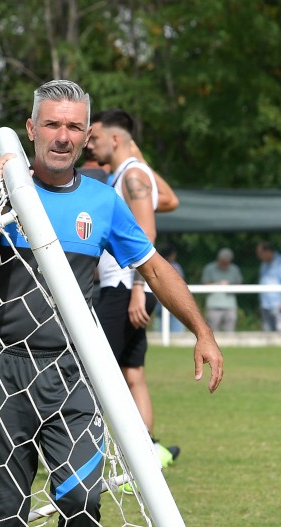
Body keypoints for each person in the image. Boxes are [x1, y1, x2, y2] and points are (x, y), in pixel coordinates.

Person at [0, 79, 223, 527]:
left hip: (73, 374)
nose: (63, 136)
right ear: (31, 130)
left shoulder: (102, 200)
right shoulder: (0, 189)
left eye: (74, 127)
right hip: (0, 370)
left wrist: (202, 331)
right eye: (52, 125)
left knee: (83, 500)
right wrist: (4, 201)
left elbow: (153, 266)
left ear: (87, 136)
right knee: (4, 514)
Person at [86, 107, 180, 467]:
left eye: (94, 137)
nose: (89, 145)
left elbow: (147, 234)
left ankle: (99, 456)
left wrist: (140, 289)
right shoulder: (130, 172)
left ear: (114, 138)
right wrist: (137, 155)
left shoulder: (132, 175)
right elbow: (169, 200)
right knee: (131, 373)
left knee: (96, 371)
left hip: (126, 288)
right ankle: (149, 451)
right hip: (126, 288)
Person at [200, 247, 242, 332]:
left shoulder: (234, 269)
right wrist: (217, 284)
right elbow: (204, 285)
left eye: (227, 262)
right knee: (212, 331)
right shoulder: (209, 268)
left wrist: (229, 286)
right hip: (213, 305)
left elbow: (239, 285)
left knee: (230, 330)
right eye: (223, 261)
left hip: (230, 305)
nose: (224, 264)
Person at [256, 241, 281, 332]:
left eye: (260, 253)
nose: (258, 255)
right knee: (267, 332)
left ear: (268, 251)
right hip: (265, 304)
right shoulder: (264, 264)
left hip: (279, 304)